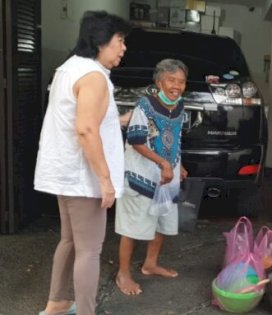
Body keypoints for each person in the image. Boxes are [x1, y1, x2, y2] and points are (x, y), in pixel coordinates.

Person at [34, 11, 130, 315]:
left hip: (67, 172)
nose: (123, 48)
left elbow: (88, 120)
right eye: (119, 41)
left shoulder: (69, 69)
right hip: (83, 178)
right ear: (100, 41)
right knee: (90, 250)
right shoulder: (94, 77)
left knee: (70, 241)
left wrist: (121, 120)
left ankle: (56, 303)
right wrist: (105, 180)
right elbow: (86, 129)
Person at [115, 58, 189, 296]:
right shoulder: (144, 106)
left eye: (181, 81)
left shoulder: (179, 106)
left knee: (160, 222)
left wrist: (179, 165)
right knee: (132, 227)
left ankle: (150, 264)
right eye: (171, 80)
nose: (176, 86)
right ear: (159, 82)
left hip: (166, 178)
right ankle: (123, 274)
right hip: (141, 177)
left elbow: (174, 138)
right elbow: (136, 140)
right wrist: (164, 163)